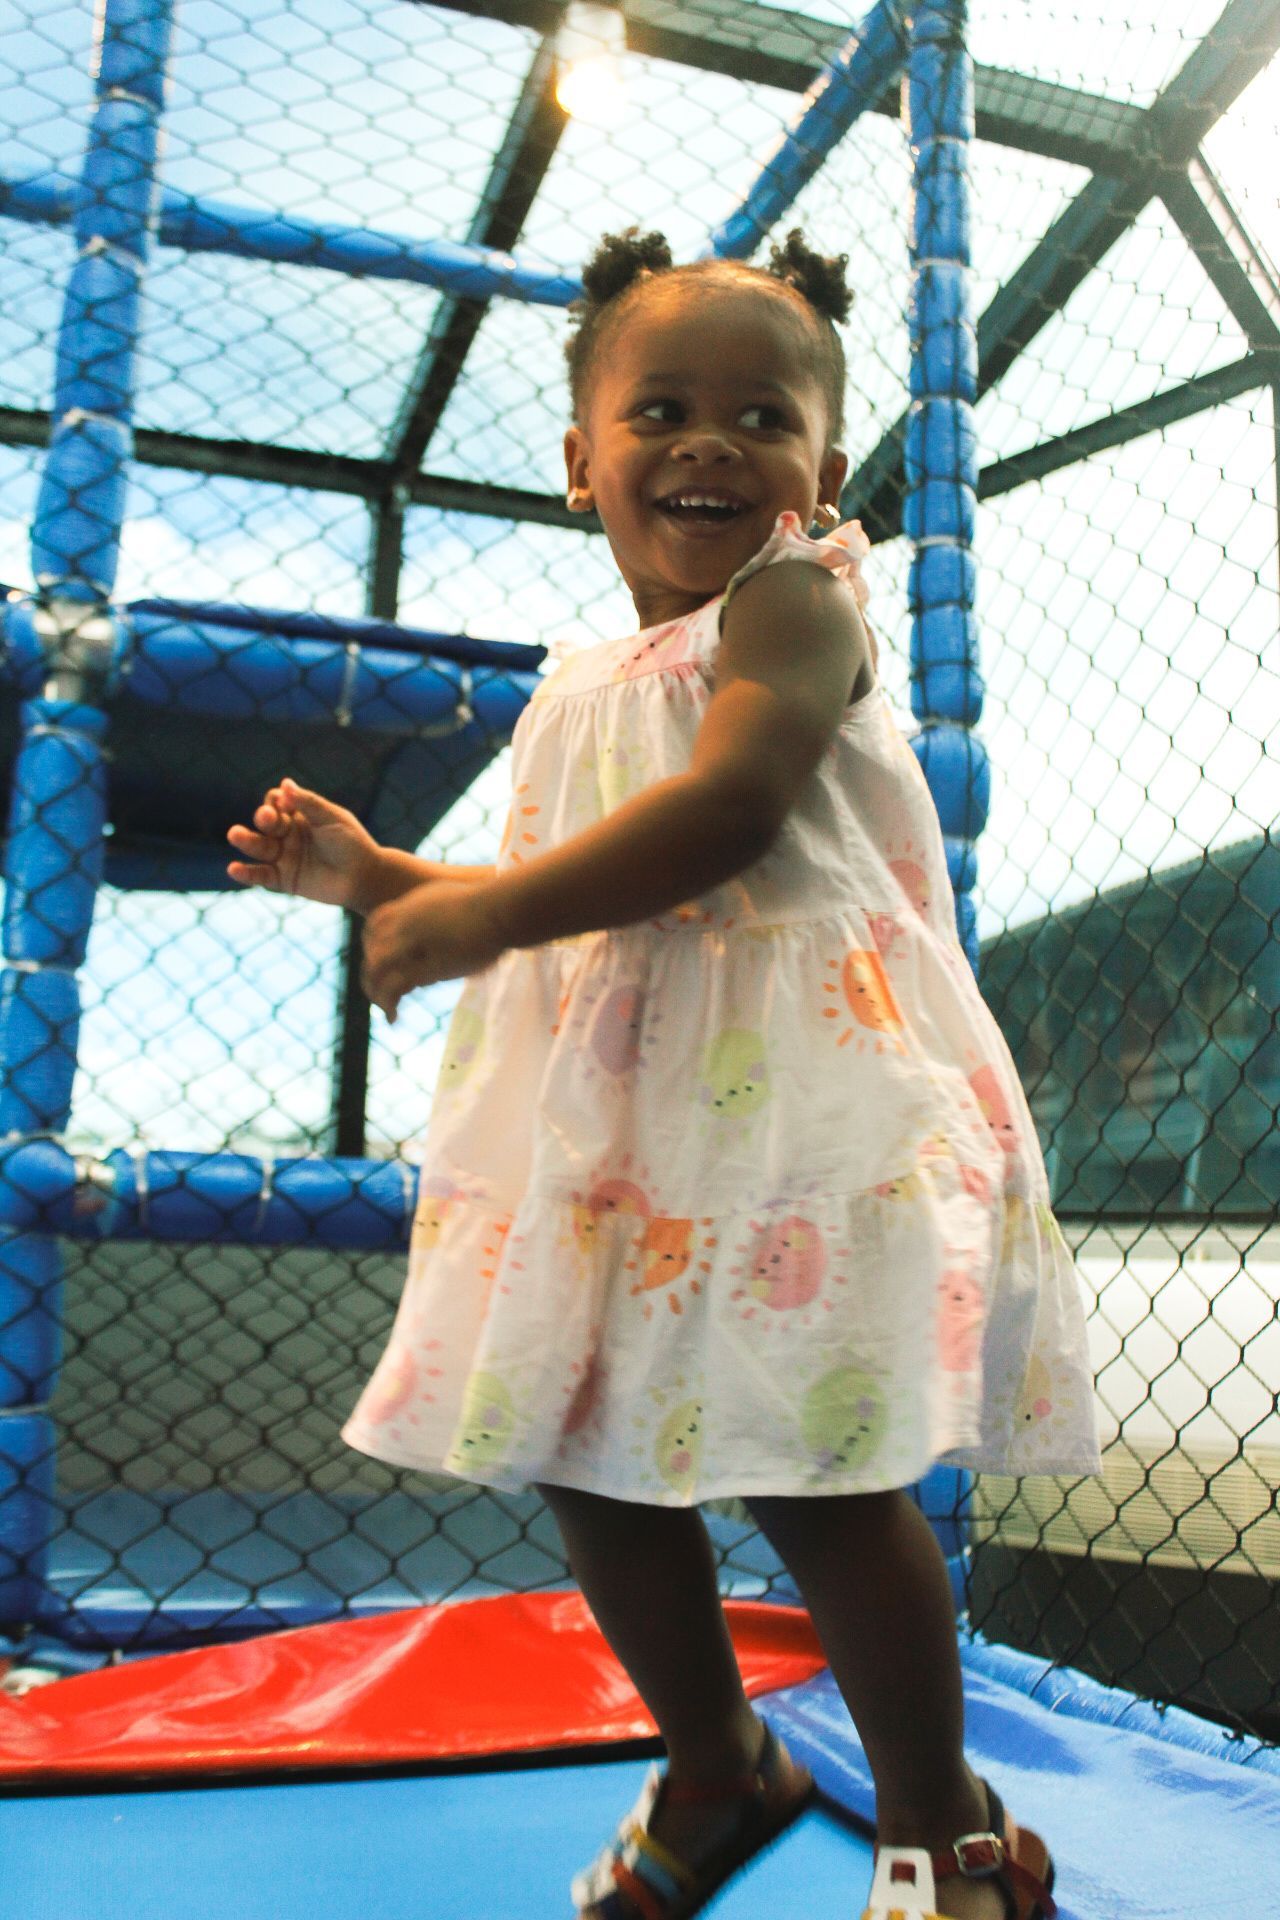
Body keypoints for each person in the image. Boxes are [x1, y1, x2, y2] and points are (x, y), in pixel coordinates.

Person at [227, 226, 1097, 1920]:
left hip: (796, 1120)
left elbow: (729, 813)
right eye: (664, 412)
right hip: (625, 1134)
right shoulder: (577, 682)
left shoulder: (793, 605)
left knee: (813, 1472)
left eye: (765, 418)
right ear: (581, 463)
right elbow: (570, 895)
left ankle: (950, 1831)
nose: (714, 443)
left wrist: (476, 914)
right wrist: (389, 879)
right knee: (579, 1441)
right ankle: (720, 1765)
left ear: (821, 475)